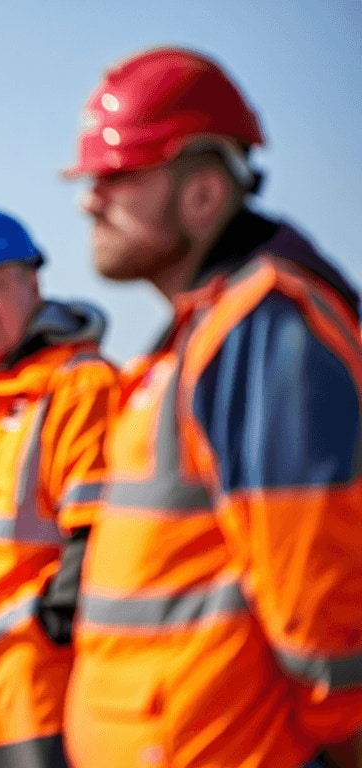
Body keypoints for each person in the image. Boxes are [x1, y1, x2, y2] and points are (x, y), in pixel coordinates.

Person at [62, 47, 362, 767]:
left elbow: (320, 612)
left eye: (117, 176)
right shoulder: (199, 334)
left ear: (201, 193)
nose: (88, 201)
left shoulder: (265, 330)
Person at [0, 203, 119, 766]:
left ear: (32, 283)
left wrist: (37, 634)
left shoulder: (79, 390)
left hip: (37, 707)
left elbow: (105, 549)